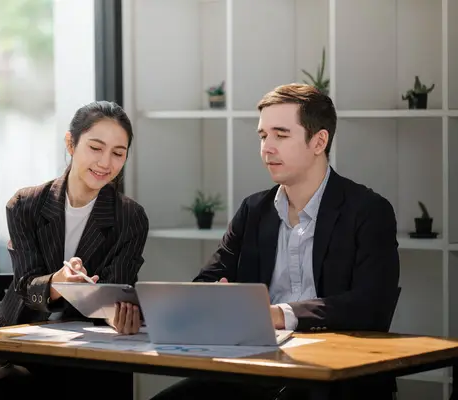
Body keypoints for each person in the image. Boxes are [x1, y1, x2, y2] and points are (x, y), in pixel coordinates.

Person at [150, 84, 400, 400]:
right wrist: (215, 297)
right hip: (256, 370)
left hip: (335, 377)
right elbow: (207, 281)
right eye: (262, 136)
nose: (266, 148)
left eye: (280, 135)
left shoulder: (367, 211)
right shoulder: (253, 211)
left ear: (318, 141)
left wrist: (279, 314)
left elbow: (371, 306)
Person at [0, 100, 149, 399]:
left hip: (84, 348)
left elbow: (117, 289)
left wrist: (119, 312)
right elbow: (25, 286)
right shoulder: (25, 204)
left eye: (118, 153)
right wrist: (57, 284)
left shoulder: (130, 217)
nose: (105, 163)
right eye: (95, 148)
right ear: (70, 144)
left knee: (106, 380)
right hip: (16, 342)